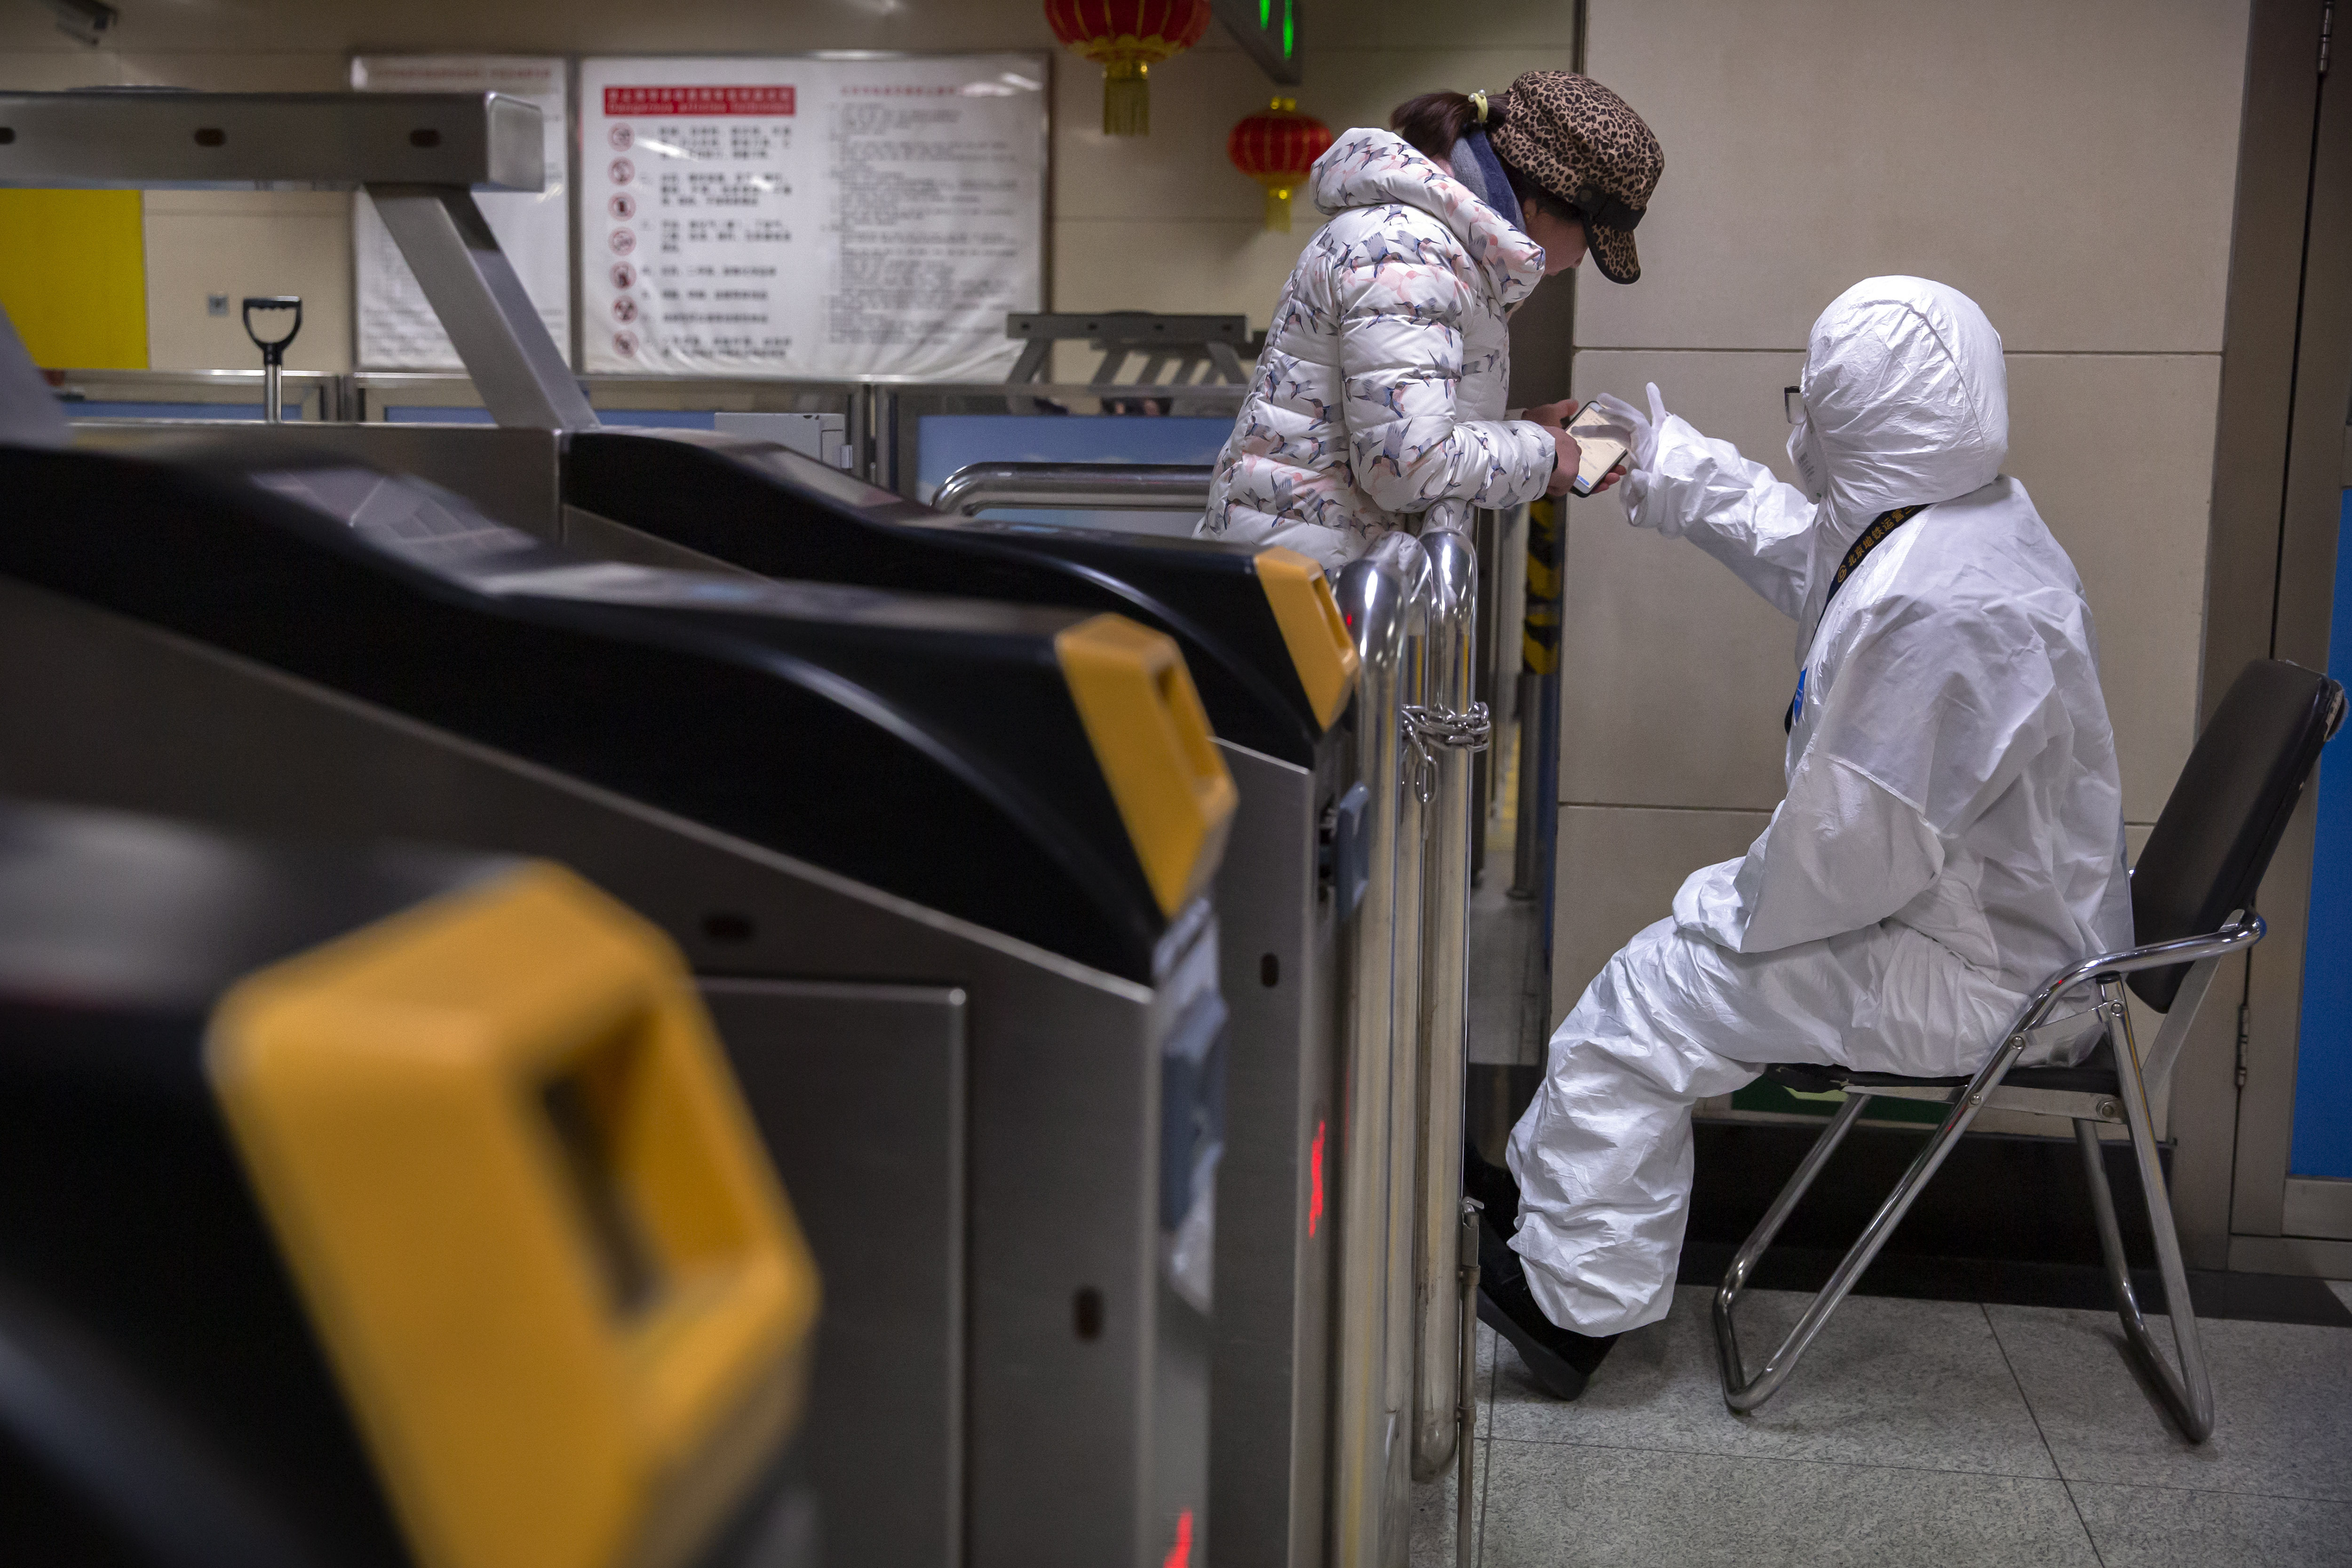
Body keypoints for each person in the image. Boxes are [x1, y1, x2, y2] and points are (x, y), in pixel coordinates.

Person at [1472, 276, 2132, 1401]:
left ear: (1852, 421)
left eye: (1810, 404)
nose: (1799, 430)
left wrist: (1712, 911)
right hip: (1996, 928)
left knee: (1651, 994)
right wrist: (1645, 456)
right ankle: (1555, 1215)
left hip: (1993, 975)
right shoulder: (1959, 526)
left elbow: (1846, 859)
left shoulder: (1943, 605)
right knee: (1669, 969)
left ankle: (1565, 1313)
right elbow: (1806, 547)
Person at [1197, 72, 1663, 570]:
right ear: (1541, 202)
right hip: (1296, 586)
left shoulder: (1433, 246)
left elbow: (1391, 428)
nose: (1578, 262)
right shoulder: (1410, 253)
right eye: (1591, 240)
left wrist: (1520, 427)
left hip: (1319, 565)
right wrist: (1539, 453)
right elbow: (1404, 466)